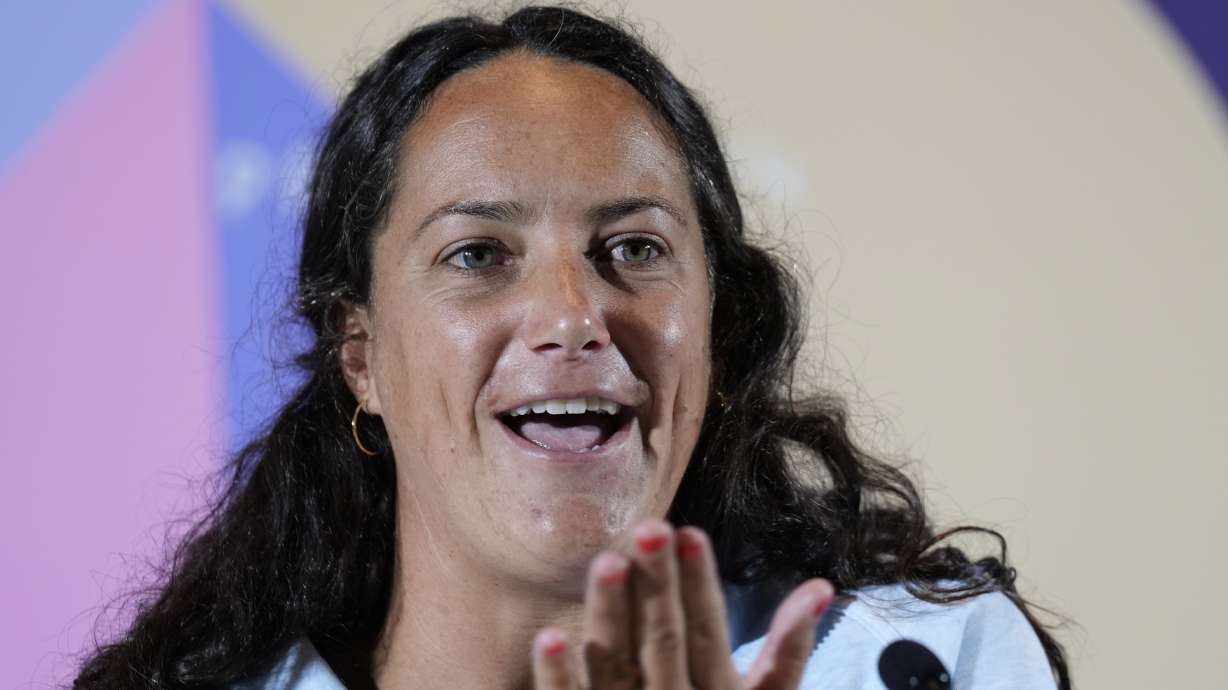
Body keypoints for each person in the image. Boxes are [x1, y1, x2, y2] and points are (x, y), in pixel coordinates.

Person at [74, 6, 1070, 689]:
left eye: (634, 248)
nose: (572, 313)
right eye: (478, 254)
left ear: (718, 330)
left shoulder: (915, 664)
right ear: (360, 353)